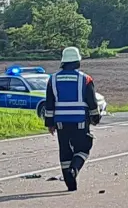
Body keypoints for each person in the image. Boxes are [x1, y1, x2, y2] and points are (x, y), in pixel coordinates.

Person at [40, 46, 100, 191]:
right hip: (80, 122)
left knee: (65, 151)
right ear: (78, 61)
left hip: (61, 123)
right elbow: (92, 101)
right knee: (83, 148)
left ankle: (70, 183)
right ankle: (74, 170)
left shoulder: (52, 80)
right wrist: (95, 117)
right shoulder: (85, 79)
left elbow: (49, 104)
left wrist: (50, 123)